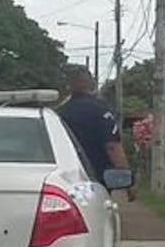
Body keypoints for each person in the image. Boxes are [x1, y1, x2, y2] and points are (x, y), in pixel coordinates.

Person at [56, 65, 135, 200]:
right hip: (96, 179)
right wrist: (127, 181)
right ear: (90, 83)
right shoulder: (101, 110)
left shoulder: (59, 113)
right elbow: (112, 146)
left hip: (65, 178)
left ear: (69, 85)